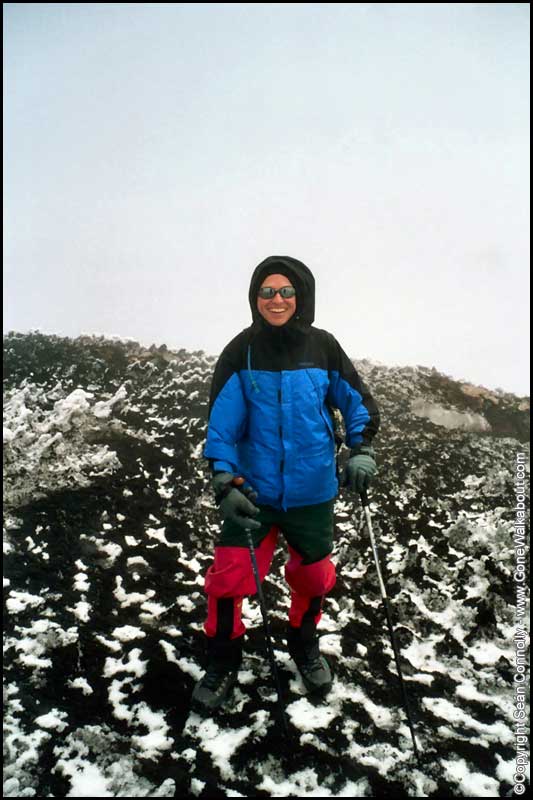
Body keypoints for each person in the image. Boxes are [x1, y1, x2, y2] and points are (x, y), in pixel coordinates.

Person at [192, 255, 380, 712]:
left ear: (302, 297)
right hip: (252, 494)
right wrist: (224, 480)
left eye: (286, 291)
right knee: (227, 581)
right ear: (255, 298)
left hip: (313, 492)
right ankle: (222, 661)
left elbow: (356, 404)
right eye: (267, 292)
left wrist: (362, 450)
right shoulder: (240, 352)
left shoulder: (324, 347)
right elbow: (222, 427)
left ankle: (304, 644)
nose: (276, 300)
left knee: (313, 578)